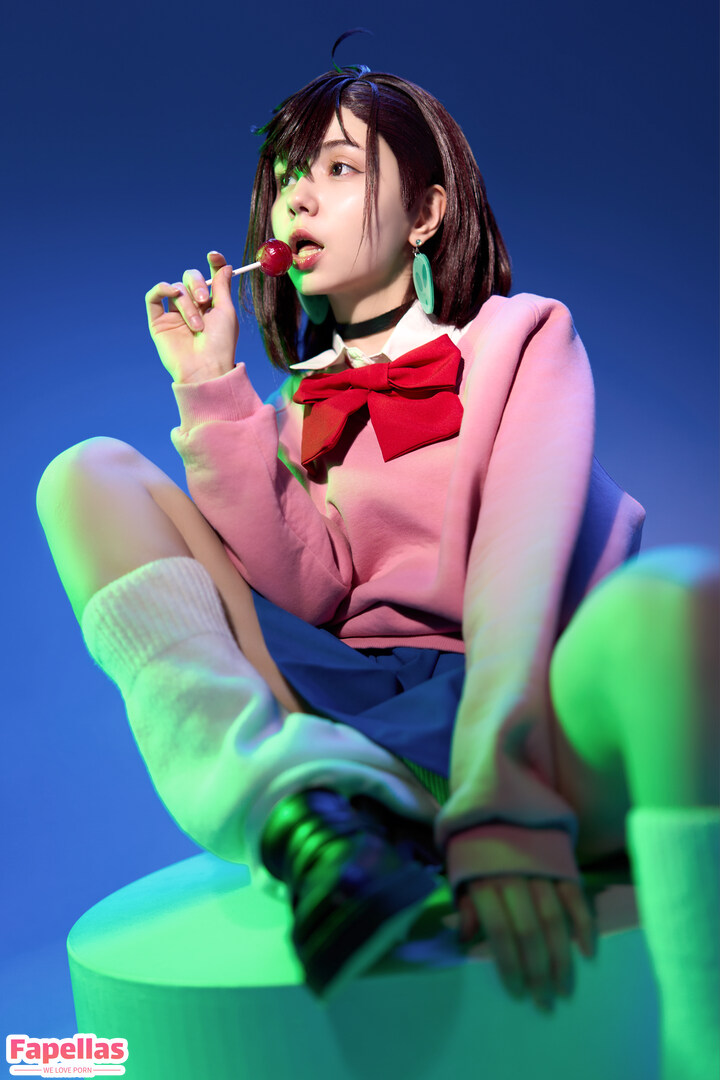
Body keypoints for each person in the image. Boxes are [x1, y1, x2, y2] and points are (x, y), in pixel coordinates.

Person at [36, 43, 718, 1079]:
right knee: (86, 475)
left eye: (339, 168)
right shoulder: (292, 409)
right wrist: (213, 391)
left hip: (523, 705)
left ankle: (703, 1047)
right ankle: (300, 815)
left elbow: (521, 561)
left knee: (678, 600)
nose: (298, 199)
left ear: (427, 214)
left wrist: (498, 795)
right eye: (286, 180)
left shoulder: (522, 339)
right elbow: (309, 595)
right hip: (357, 725)